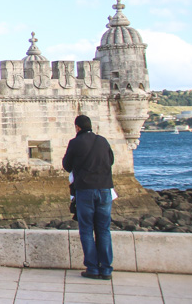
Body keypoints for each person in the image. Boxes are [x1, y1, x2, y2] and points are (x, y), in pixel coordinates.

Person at [62, 114, 115, 280]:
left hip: (85, 190)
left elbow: (66, 165)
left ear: (77, 127)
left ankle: (92, 268)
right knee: (104, 229)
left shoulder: (75, 143)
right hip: (105, 189)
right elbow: (111, 160)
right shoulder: (103, 141)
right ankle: (106, 269)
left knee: (86, 229)